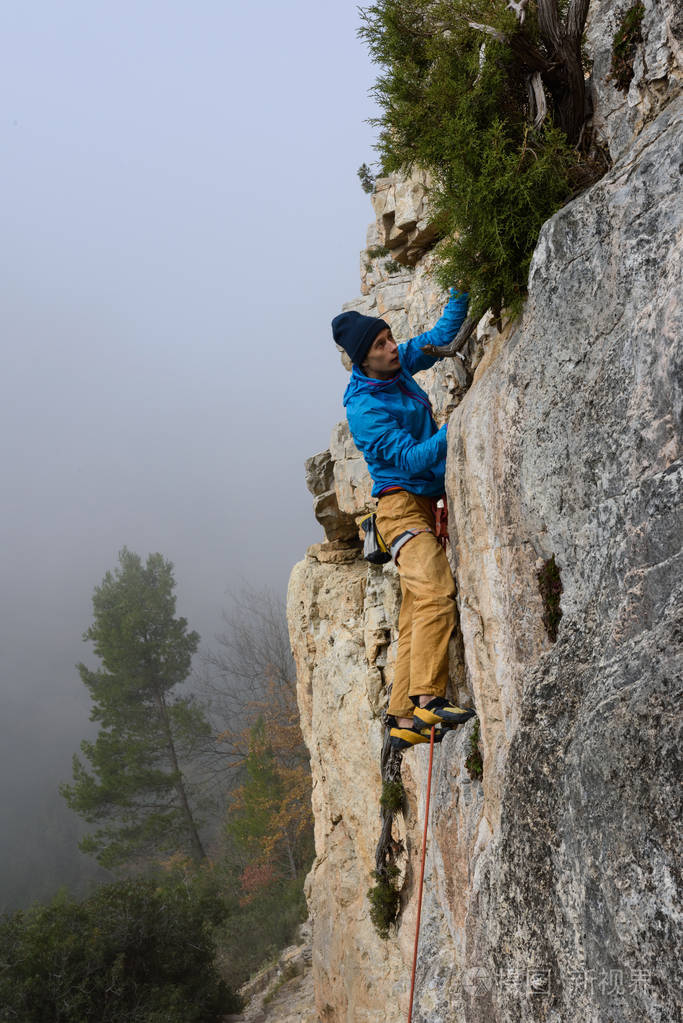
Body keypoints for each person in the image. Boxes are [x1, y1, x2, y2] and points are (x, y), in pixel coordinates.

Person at [332, 289, 476, 751]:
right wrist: (459, 425)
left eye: (390, 337)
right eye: (379, 345)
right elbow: (411, 459)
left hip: (418, 502)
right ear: (362, 359)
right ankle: (428, 701)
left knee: (415, 612)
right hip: (398, 509)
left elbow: (438, 337)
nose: (392, 347)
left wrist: (462, 287)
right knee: (435, 591)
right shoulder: (365, 408)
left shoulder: (394, 370)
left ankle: (401, 718)